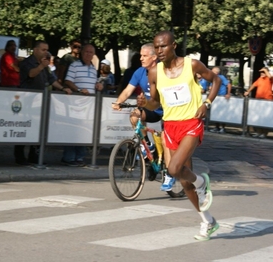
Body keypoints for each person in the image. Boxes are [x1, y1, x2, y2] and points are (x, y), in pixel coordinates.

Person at [138, 31, 222, 241]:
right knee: (185, 182)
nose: (159, 51)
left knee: (174, 169)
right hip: (171, 126)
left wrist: (207, 103)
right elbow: (155, 103)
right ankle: (208, 222)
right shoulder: (154, 72)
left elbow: (217, 80)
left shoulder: (191, 65)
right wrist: (144, 104)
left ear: (174, 45)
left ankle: (202, 183)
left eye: (163, 46)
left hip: (192, 124)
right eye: (156, 47)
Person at [112, 43, 174, 191]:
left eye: (144, 56)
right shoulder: (139, 72)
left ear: (154, 57)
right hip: (151, 109)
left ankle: (170, 174)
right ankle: (148, 146)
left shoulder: (163, 71)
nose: (141, 58)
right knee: (134, 116)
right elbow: (128, 90)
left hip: (167, 110)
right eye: (140, 55)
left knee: (166, 140)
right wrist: (119, 102)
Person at [16, 40, 72, 165]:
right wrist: (41, 66)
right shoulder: (27, 62)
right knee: (24, 128)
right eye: (43, 50)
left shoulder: (45, 66)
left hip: (40, 102)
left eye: (47, 50)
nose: (46, 52)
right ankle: (19, 157)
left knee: (38, 129)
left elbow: (52, 79)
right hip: (27, 101)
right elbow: (31, 74)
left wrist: (62, 88)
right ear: (35, 50)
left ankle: (34, 156)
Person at [62, 43, 103, 166]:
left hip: (89, 106)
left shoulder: (93, 69)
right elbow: (68, 81)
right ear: (81, 53)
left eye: (91, 52)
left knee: (85, 131)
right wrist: (79, 90)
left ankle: (79, 157)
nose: (88, 54)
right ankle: (68, 158)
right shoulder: (74, 65)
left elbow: (93, 84)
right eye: (86, 52)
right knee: (73, 130)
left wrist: (98, 86)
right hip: (75, 104)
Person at [244, 66, 273, 138]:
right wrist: (248, 91)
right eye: (261, 72)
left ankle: (264, 133)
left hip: (267, 100)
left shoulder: (269, 79)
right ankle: (259, 132)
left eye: (263, 72)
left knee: (265, 117)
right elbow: (254, 85)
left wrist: (265, 70)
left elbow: (270, 76)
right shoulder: (260, 79)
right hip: (259, 100)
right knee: (258, 116)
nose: (262, 73)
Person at [209, 66, 231, 134]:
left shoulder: (221, 77)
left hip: (221, 97)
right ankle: (217, 127)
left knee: (222, 112)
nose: (211, 72)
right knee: (215, 112)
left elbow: (229, 84)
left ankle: (223, 128)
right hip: (215, 96)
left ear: (216, 72)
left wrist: (228, 93)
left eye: (212, 71)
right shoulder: (212, 78)